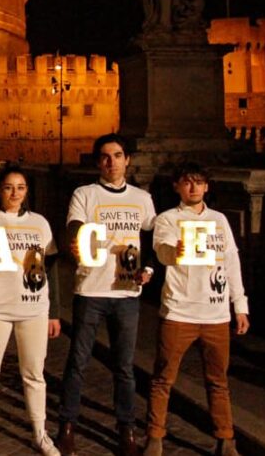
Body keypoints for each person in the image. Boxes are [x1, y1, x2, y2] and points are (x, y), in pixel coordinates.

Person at [57, 134, 156, 456]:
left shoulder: (142, 198)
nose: (111, 162)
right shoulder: (85, 194)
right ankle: (67, 425)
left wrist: (149, 271)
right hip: (91, 289)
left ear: (127, 160)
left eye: (116, 155)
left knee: (124, 367)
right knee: (78, 361)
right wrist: (75, 245)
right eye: (104, 156)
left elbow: (153, 242)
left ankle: (126, 428)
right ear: (98, 162)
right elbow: (74, 228)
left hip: (127, 293)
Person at [144, 164, 249, 456]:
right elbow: (163, 253)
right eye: (187, 183)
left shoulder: (220, 221)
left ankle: (226, 439)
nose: (193, 188)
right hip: (180, 312)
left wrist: (240, 305)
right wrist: (174, 251)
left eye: (199, 183)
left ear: (206, 187)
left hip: (215, 314)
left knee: (218, 381)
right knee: (163, 378)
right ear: (177, 186)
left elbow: (231, 263)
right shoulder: (167, 219)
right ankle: (154, 436)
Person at [0, 165, 61, 456]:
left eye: (20, 187)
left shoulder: (40, 223)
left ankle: (40, 433)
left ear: (27, 191)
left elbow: (51, 269)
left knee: (34, 373)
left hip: (33, 308)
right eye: (9, 187)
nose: (14, 193)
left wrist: (54, 311)